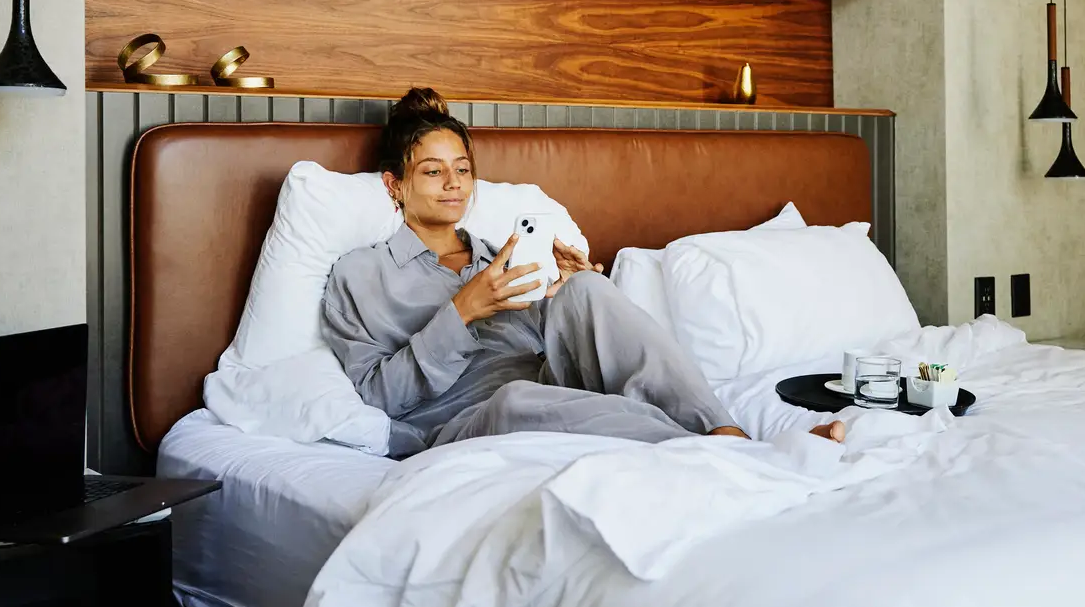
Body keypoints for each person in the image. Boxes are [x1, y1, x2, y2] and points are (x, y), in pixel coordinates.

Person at [321, 88, 843, 456]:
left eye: (462, 170)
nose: (453, 184)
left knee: (586, 288)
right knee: (516, 400)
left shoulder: (497, 254)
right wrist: (460, 312)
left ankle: (727, 434)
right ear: (395, 185)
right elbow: (377, 396)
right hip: (465, 418)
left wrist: (578, 293)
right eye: (433, 172)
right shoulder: (360, 275)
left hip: (555, 387)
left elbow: (554, 345)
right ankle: (734, 457)